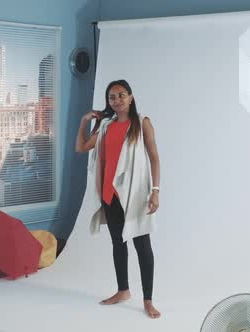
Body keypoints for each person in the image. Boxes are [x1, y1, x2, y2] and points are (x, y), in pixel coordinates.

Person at [75, 79, 161, 319]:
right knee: (117, 243)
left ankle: (148, 300)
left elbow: (154, 157)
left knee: (142, 246)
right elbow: (81, 147)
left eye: (121, 95)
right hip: (109, 193)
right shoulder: (105, 126)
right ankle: (123, 291)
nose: (117, 100)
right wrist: (84, 121)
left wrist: (155, 190)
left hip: (134, 194)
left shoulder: (141, 123)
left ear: (131, 97)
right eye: (112, 97)